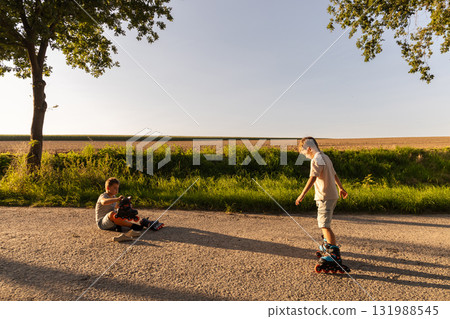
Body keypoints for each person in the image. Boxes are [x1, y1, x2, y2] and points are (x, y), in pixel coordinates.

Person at [295, 137, 348, 245]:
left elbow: (313, 177)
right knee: (324, 223)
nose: (304, 155)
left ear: (309, 148)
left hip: (324, 197)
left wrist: (302, 194)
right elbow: (334, 174)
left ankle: (333, 252)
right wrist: (341, 188)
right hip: (331, 196)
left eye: (304, 152)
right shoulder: (325, 157)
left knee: (325, 225)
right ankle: (327, 243)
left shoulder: (316, 159)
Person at [95, 177, 163, 242]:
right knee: (112, 214)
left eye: (118, 188)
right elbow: (104, 202)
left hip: (112, 222)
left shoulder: (113, 197)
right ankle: (133, 226)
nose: (117, 190)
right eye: (115, 188)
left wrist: (127, 206)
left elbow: (118, 206)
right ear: (108, 188)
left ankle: (145, 222)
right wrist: (117, 199)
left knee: (123, 211)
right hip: (102, 223)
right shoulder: (103, 196)